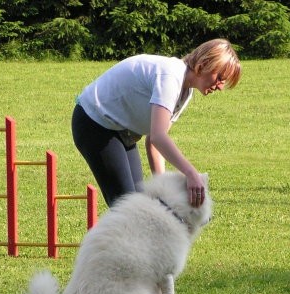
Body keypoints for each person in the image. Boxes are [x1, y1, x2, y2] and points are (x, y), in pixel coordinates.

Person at [71, 39, 241, 208]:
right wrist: (191, 173)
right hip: (93, 123)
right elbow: (158, 137)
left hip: (122, 131)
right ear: (203, 65)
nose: (220, 86)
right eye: (219, 78)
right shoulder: (170, 76)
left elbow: (154, 140)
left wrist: (163, 192)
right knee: (129, 207)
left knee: (139, 202)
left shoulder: (185, 90)